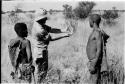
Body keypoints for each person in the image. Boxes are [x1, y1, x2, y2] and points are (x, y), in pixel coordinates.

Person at [32, 8, 71, 83]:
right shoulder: (40, 30)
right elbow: (51, 38)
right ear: (40, 18)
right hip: (40, 53)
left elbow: (50, 29)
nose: (46, 19)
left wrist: (63, 30)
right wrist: (65, 35)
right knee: (41, 72)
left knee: (42, 71)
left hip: (41, 50)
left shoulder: (39, 23)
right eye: (44, 18)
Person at [86, 14, 110, 84]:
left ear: (93, 21)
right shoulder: (95, 31)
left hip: (95, 62)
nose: (89, 23)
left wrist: (93, 64)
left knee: (94, 81)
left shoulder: (97, 33)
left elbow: (99, 49)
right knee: (95, 80)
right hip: (93, 61)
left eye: (89, 21)